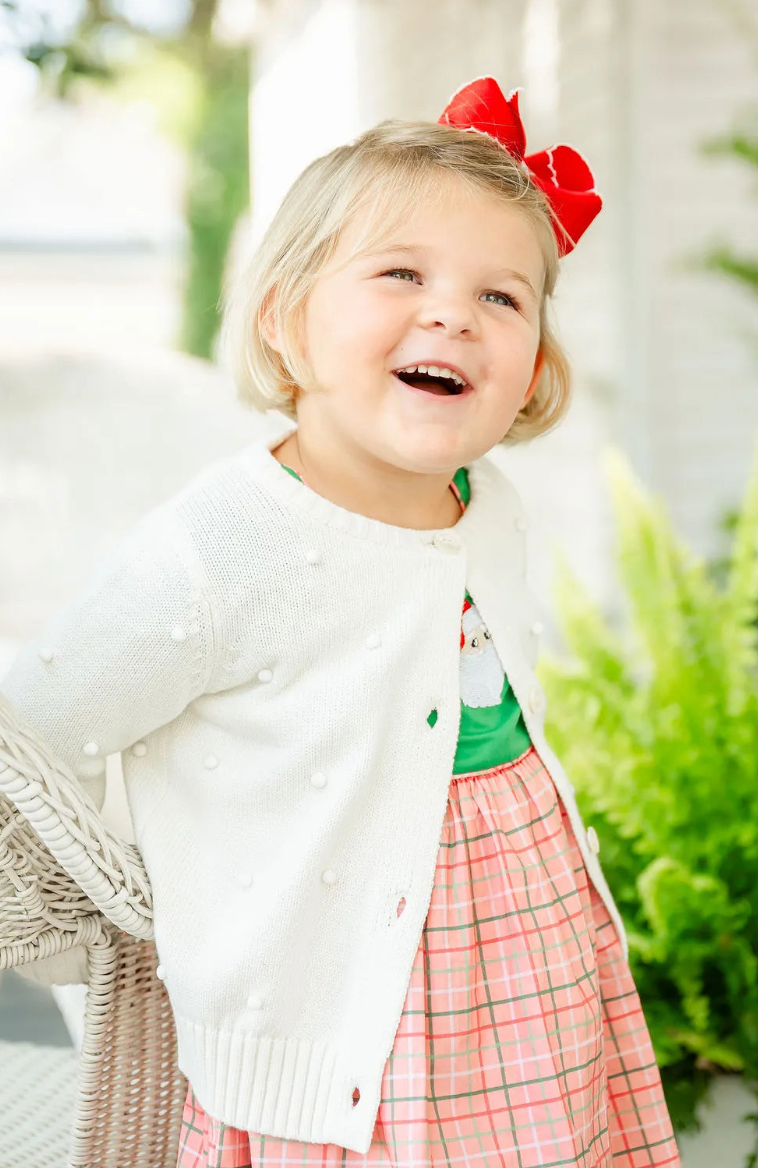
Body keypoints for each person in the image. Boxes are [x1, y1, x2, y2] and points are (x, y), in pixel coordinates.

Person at [0, 77, 680, 1167]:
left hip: (527, 969)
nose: (452, 312)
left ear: (530, 371)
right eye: (400, 274)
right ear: (288, 320)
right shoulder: (220, 547)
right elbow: (33, 733)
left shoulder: (489, 504)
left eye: (501, 297)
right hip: (344, 1029)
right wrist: (125, 916)